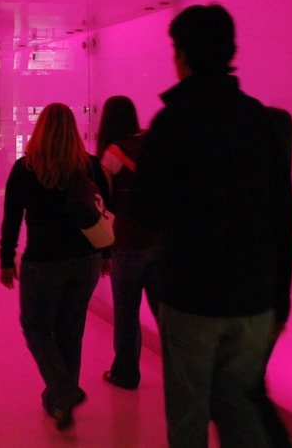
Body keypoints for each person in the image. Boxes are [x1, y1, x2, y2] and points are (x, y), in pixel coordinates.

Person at [132, 4, 292, 447]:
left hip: (192, 295)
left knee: (188, 415)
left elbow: (147, 211)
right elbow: (285, 221)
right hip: (255, 297)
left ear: (181, 54)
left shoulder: (172, 123)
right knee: (240, 408)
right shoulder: (260, 122)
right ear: (229, 51)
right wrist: (280, 297)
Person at [0, 102, 112, 431]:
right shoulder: (89, 166)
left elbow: (12, 219)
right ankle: (61, 404)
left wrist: (7, 260)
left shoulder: (26, 169)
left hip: (44, 263)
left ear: (41, 129)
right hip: (86, 261)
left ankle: (62, 390)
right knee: (70, 330)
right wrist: (106, 256)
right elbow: (104, 212)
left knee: (36, 328)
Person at [96, 95, 161, 391]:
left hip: (127, 243)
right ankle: (183, 374)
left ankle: (126, 374)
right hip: (161, 241)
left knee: (126, 311)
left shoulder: (112, 153)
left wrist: (103, 251)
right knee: (166, 314)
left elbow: (104, 206)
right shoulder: (154, 142)